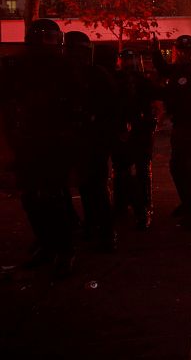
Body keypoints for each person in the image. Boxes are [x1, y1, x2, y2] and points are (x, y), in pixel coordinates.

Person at [0, 19, 78, 277]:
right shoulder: (20, 66)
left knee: (52, 196)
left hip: (53, 141)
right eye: (48, 38)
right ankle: (48, 246)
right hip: (31, 140)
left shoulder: (63, 67)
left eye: (53, 38)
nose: (52, 43)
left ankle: (63, 250)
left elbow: (75, 105)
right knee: (33, 197)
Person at [152, 34, 191, 228]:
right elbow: (164, 70)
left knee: (187, 167)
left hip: (188, 124)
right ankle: (189, 203)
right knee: (179, 166)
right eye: (181, 51)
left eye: (187, 51)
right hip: (181, 123)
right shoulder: (180, 69)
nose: (184, 54)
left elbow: (177, 94)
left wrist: (156, 93)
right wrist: (155, 52)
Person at [64, 31, 117, 252]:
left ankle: (106, 232)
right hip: (81, 139)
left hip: (95, 139)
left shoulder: (96, 75)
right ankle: (92, 225)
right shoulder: (69, 75)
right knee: (86, 186)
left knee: (96, 186)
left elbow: (111, 108)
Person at [112, 48, 158, 230]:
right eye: (126, 60)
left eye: (132, 60)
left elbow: (152, 104)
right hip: (127, 132)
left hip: (139, 131)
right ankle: (125, 205)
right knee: (123, 170)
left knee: (140, 170)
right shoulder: (117, 81)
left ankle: (142, 207)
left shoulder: (141, 82)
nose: (129, 64)